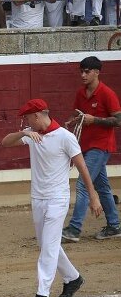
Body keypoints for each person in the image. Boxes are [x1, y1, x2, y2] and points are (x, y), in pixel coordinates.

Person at [0, 98, 99, 297]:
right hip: (38, 198)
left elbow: (82, 167)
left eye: (27, 118)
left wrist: (93, 195)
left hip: (57, 199)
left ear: (37, 116)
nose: (25, 121)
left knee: (48, 246)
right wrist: (24, 133)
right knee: (48, 244)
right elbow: (5, 142)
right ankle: (73, 278)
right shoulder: (32, 134)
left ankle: (42, 293)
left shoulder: (65, 137)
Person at [61, 56, 121, 241]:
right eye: (81, 71)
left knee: (83, 184)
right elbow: (78, 112)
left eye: (87, 71)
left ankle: (74, 228)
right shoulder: (81, 93)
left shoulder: (107, 93)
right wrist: (73, 120)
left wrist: (95, 120)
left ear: (97, 72)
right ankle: (114, 225)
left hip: (101, 146)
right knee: (102, 187)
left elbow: (118, 120)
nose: (83, 75)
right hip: (86, 145)